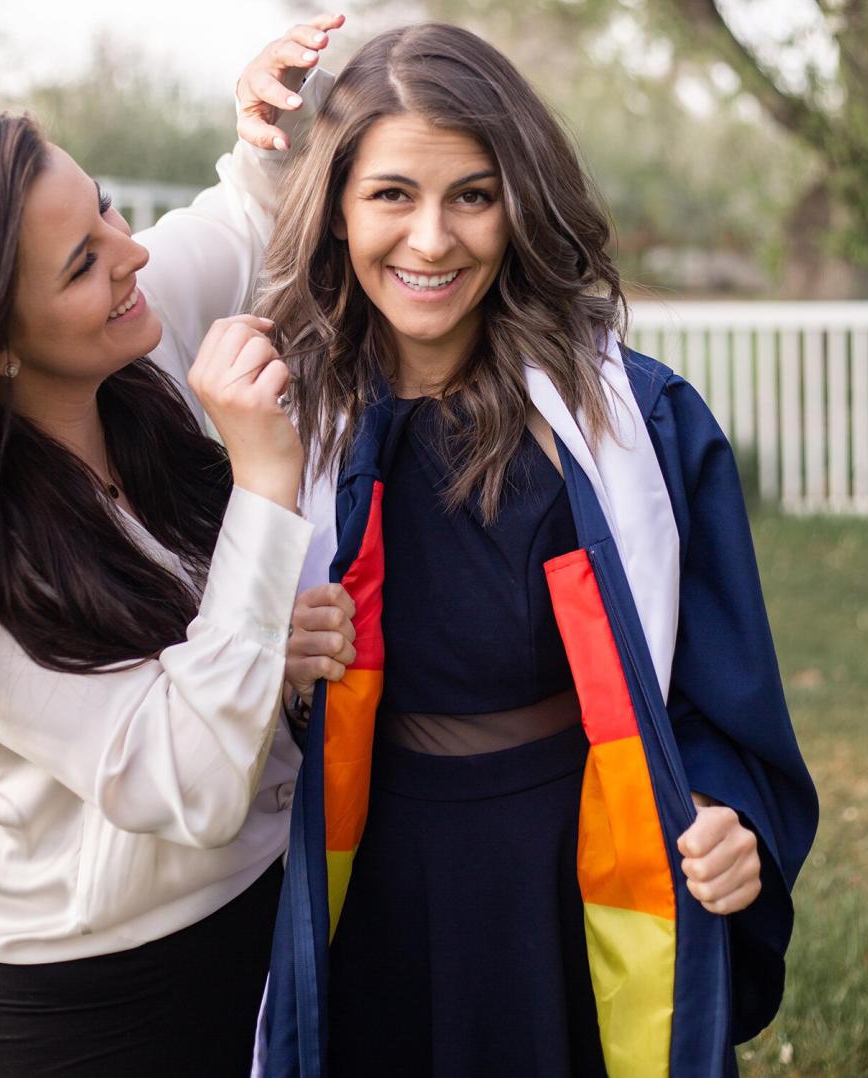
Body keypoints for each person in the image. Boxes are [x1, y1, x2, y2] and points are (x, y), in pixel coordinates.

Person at [253, 22, 819, 1078]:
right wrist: (267, 650)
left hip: (571, 850)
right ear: (334, 205)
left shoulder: (629, 430)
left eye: (473, 193)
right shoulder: (283, 423)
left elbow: (715, 690)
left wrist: (729, 813)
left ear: (522, 198)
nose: (432, 240)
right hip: (371, 857)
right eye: (391, 195)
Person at [0, 15, 355, 1077]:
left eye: (107, 209)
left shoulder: (127, 351)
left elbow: (237, 224)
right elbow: (194, 782)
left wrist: (275, 127)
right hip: (82, 1008)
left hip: (263, 924)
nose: (131, 252)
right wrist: (266, 486)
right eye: (83, 260)